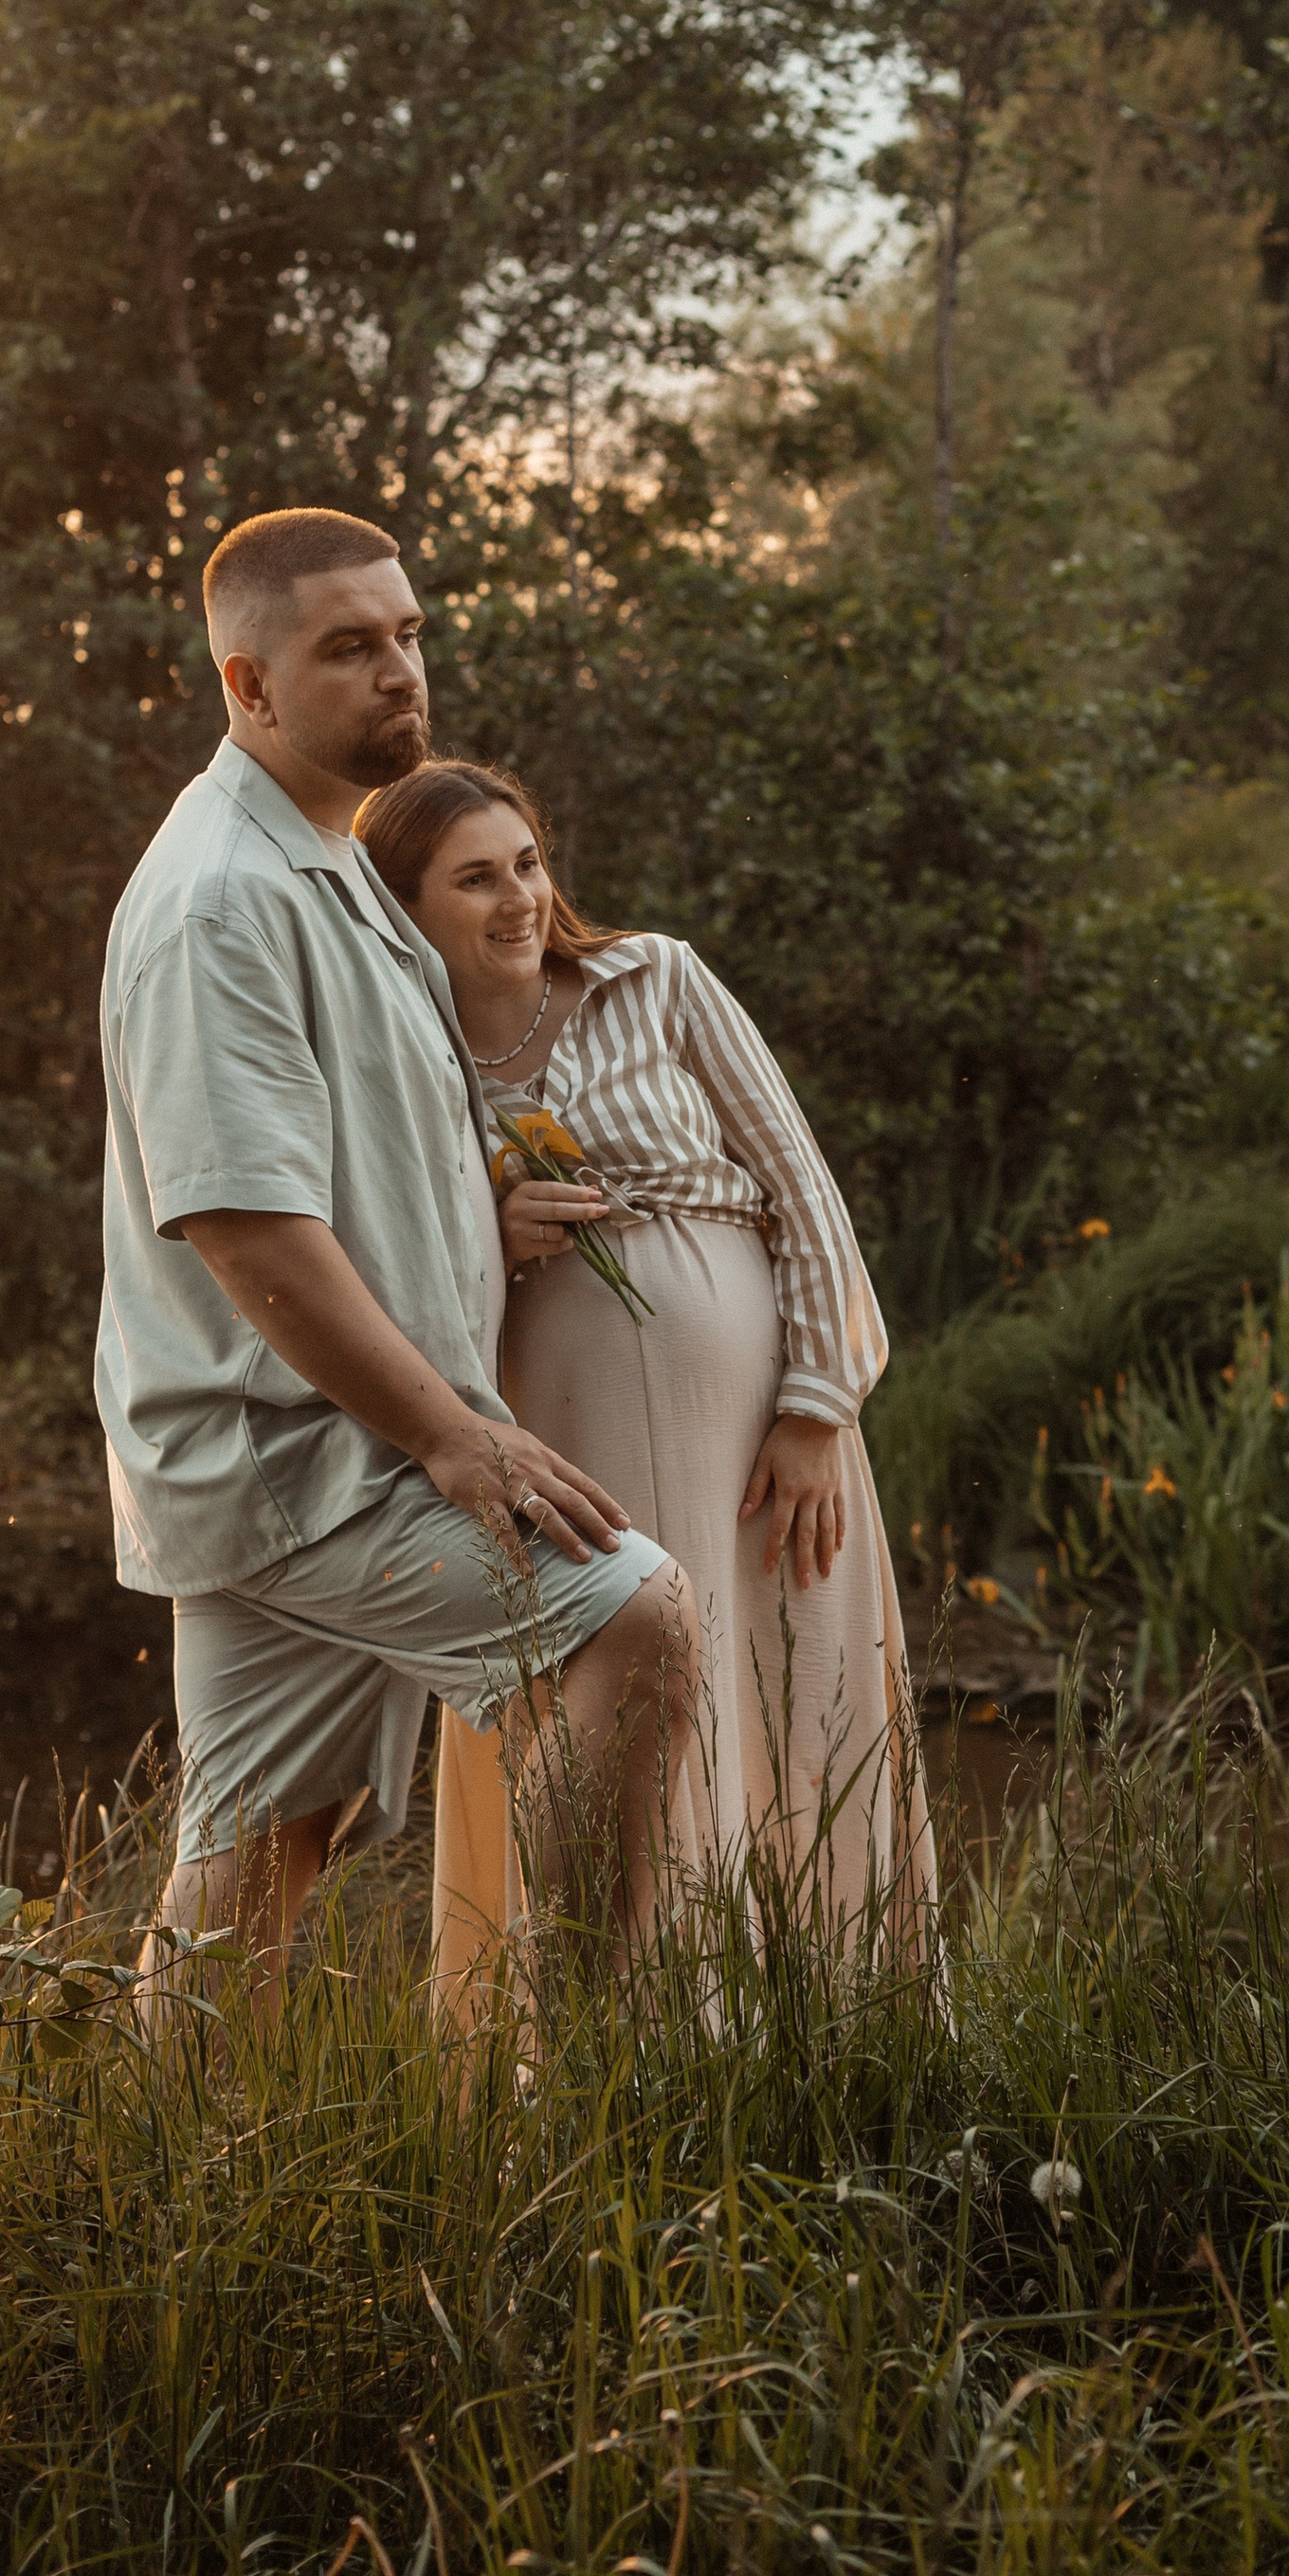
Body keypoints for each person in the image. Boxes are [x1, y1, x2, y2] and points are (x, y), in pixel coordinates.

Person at [97, 509, 693, 2005]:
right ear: (249, 685)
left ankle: (152, 2145)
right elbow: (242, 1224)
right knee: (633, 1615)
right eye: (350, 648)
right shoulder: (220, 899)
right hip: (305, 1455)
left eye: (409, 634)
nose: (399, 672)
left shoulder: (331, 857)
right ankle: (591, 2069)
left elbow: (348, 1152)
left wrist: (476, 1219)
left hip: (297, 1448)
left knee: (260, 1857)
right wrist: (452, 1434)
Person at [351, 759, 935, 1988]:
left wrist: (818, 1410)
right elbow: (390, 1284)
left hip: (761, 1445)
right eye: (474, 879)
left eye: (527, 863)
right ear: (402, 907)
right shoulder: (401, 1059)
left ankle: (833, 2024)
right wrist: (490, 1237)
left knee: (792, 1702)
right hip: (563, 1441)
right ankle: (628, 2034)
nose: (519, 898)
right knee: (614, 1713)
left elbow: (802, 1189)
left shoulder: (656, 978)